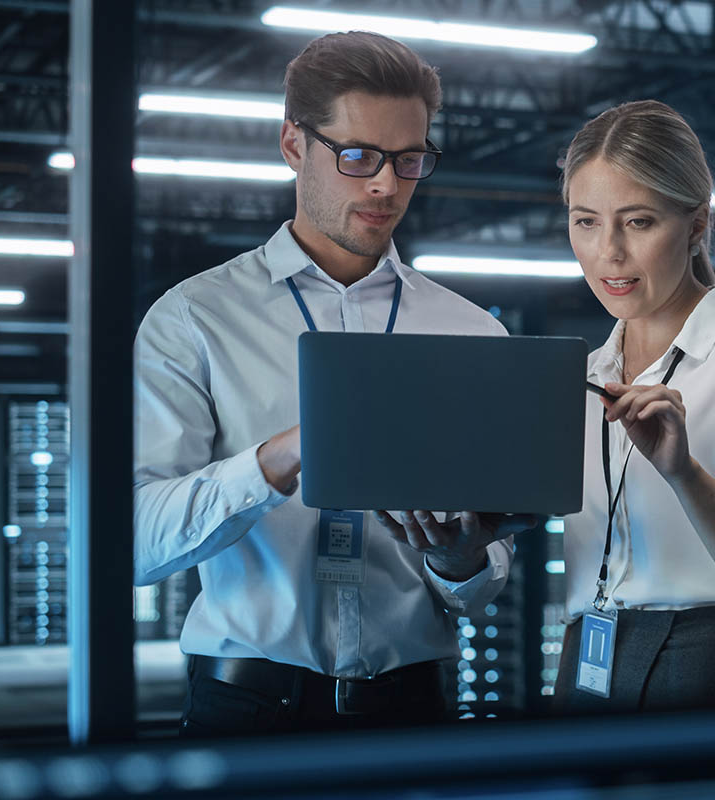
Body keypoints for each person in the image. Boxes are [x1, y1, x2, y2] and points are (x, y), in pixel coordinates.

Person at [133, 31, 532, 736]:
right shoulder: (195, 319)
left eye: (409, 160)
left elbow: (480, 589)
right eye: (358, 156)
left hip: (413, 718)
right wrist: (278, 458)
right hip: (248, 715)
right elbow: (131, 544)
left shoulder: (471, 332)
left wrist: (461, 559)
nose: (385, 184)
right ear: (293, 145)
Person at [554, 100, 715, 711]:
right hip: (585, 662)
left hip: (709, 665)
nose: (608, 253)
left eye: (639, 221)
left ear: (697, 224)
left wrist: (685, 474)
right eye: (586, 222)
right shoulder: (587, 371)